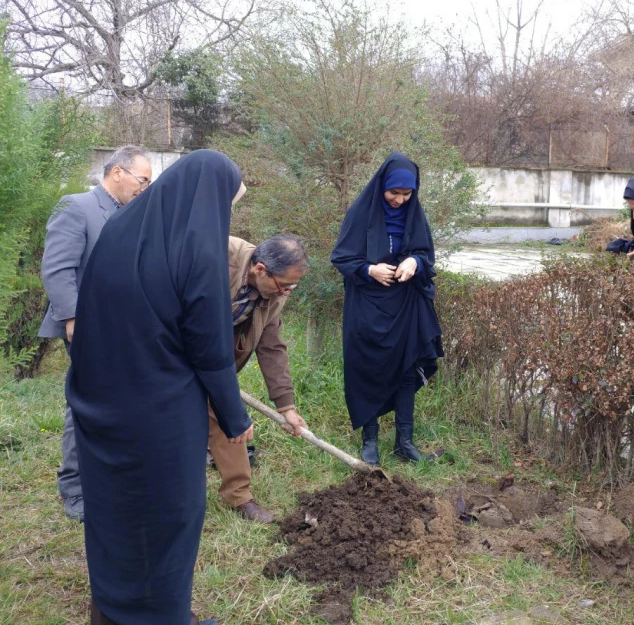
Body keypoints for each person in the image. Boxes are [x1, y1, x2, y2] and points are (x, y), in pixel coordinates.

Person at [66, 150, 253, 625]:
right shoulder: (199, 251)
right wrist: (235, 418)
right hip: (160, 416)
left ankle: (110, 612)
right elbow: (210, 349)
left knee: (113, 517)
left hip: (103, 402)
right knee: (168, 520)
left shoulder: (121, 230)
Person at [39, 145, 152, 521]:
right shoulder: (77, 207)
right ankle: (75, 488)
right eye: (142, 179)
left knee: (120, 407)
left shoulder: (132, 215)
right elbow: (57, 269)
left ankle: (110, 480)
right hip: (88, 330)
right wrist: (73, 320)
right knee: (86, 408)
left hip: (124, 332)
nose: (145, 188)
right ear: (117, 172)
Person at [330, 152, 443, 465]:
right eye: (394, 193)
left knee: (406, 368)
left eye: (407, 194)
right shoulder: (360, 214)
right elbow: (341, 258)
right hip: (367, 306)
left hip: (406, 305)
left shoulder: (413, 215)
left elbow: (426, 254)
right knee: (369, 369)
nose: (399, 200)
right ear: (381, 187)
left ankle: (404, 442)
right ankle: (370, 440)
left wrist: (414, 261)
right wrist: (370, 270)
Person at [208, 234, 310, 524]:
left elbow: (272, 345)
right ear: (260, 269)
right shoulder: (218, 255)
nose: (286, 293)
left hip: (219, 358)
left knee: (226, 413)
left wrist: (286, 406)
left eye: (293, 287)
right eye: (284, 285)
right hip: (170, 346)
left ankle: (239, 497)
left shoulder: (275, 293)